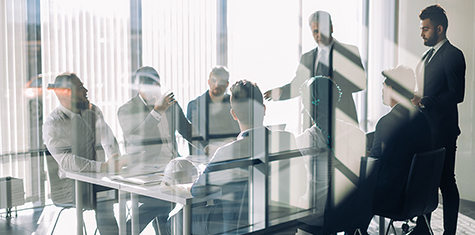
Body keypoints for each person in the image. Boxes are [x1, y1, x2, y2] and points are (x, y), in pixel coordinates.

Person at [186, 80, 299, 234]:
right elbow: (302, 185)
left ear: (233, 114)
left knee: (180, 219)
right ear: (264, 109)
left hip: (242, 229)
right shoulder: (287, 139)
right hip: (283, 227)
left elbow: (198, 191)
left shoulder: (228, 152)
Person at [117, 66, 207, 234]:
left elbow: (186, 130)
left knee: (199, 193)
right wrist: (157, 112)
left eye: (157, 86)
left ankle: (138, 230)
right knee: (164, 201)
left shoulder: (170, 103)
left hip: (173, 168)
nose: (155, 92)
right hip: (145, 171)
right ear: (139, 88)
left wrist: (206, 146)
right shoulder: (126, 110)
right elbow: (136, 139)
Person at [43, 73, 127, 235]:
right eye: (81, 88)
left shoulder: (92, 110)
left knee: (134, 190)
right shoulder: (54, 122)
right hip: (71, 182)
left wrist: (115, 161)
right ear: (67, 93)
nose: (86, 90)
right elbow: (67, 161)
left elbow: (108, 140)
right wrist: (103, 167)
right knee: (104, 198)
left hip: (99, 176)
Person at [411, 5, 466, 235]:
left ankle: (450, 232)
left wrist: (425, 100)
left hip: (442, 131)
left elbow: (457, 94)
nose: (422, 33)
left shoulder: (453, 55)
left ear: (439, 29)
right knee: (426, 182)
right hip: (425, 130)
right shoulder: (427, 55)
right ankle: (422, 228)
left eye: (426, 29)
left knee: (445, 182)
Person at [264, 10, 366, 126]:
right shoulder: (307, 58)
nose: (319, 35)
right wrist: (279, 93)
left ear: (331, 28)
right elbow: (298, 85)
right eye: (315, 31)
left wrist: (333, 84)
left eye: (323, 30)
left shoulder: (349, 52)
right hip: (312, 124)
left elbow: (361, 83)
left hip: (343, 121)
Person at [295, 76, 366, 230]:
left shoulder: (302, 141)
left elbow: (297, 187)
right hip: (354, 212)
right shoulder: (358, 133)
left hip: (319, 216)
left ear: (307, 106)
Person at [370, 66, 432, 215]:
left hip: (393, 197)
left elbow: (374, 163)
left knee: (349, 191)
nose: (382, 92)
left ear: (391, 89)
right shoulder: (422, 118)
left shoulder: (387, 122)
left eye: (383, 88)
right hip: (420, 197)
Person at [186, 66, 240, 155]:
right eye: (214, 81)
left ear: (227, 84)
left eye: (221, 82)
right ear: (208, 82)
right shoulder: (195, 105)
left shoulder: (234, 103)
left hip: (232, 152)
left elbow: (240, 129)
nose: (217, 85)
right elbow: (194, 136)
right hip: (206, 155)